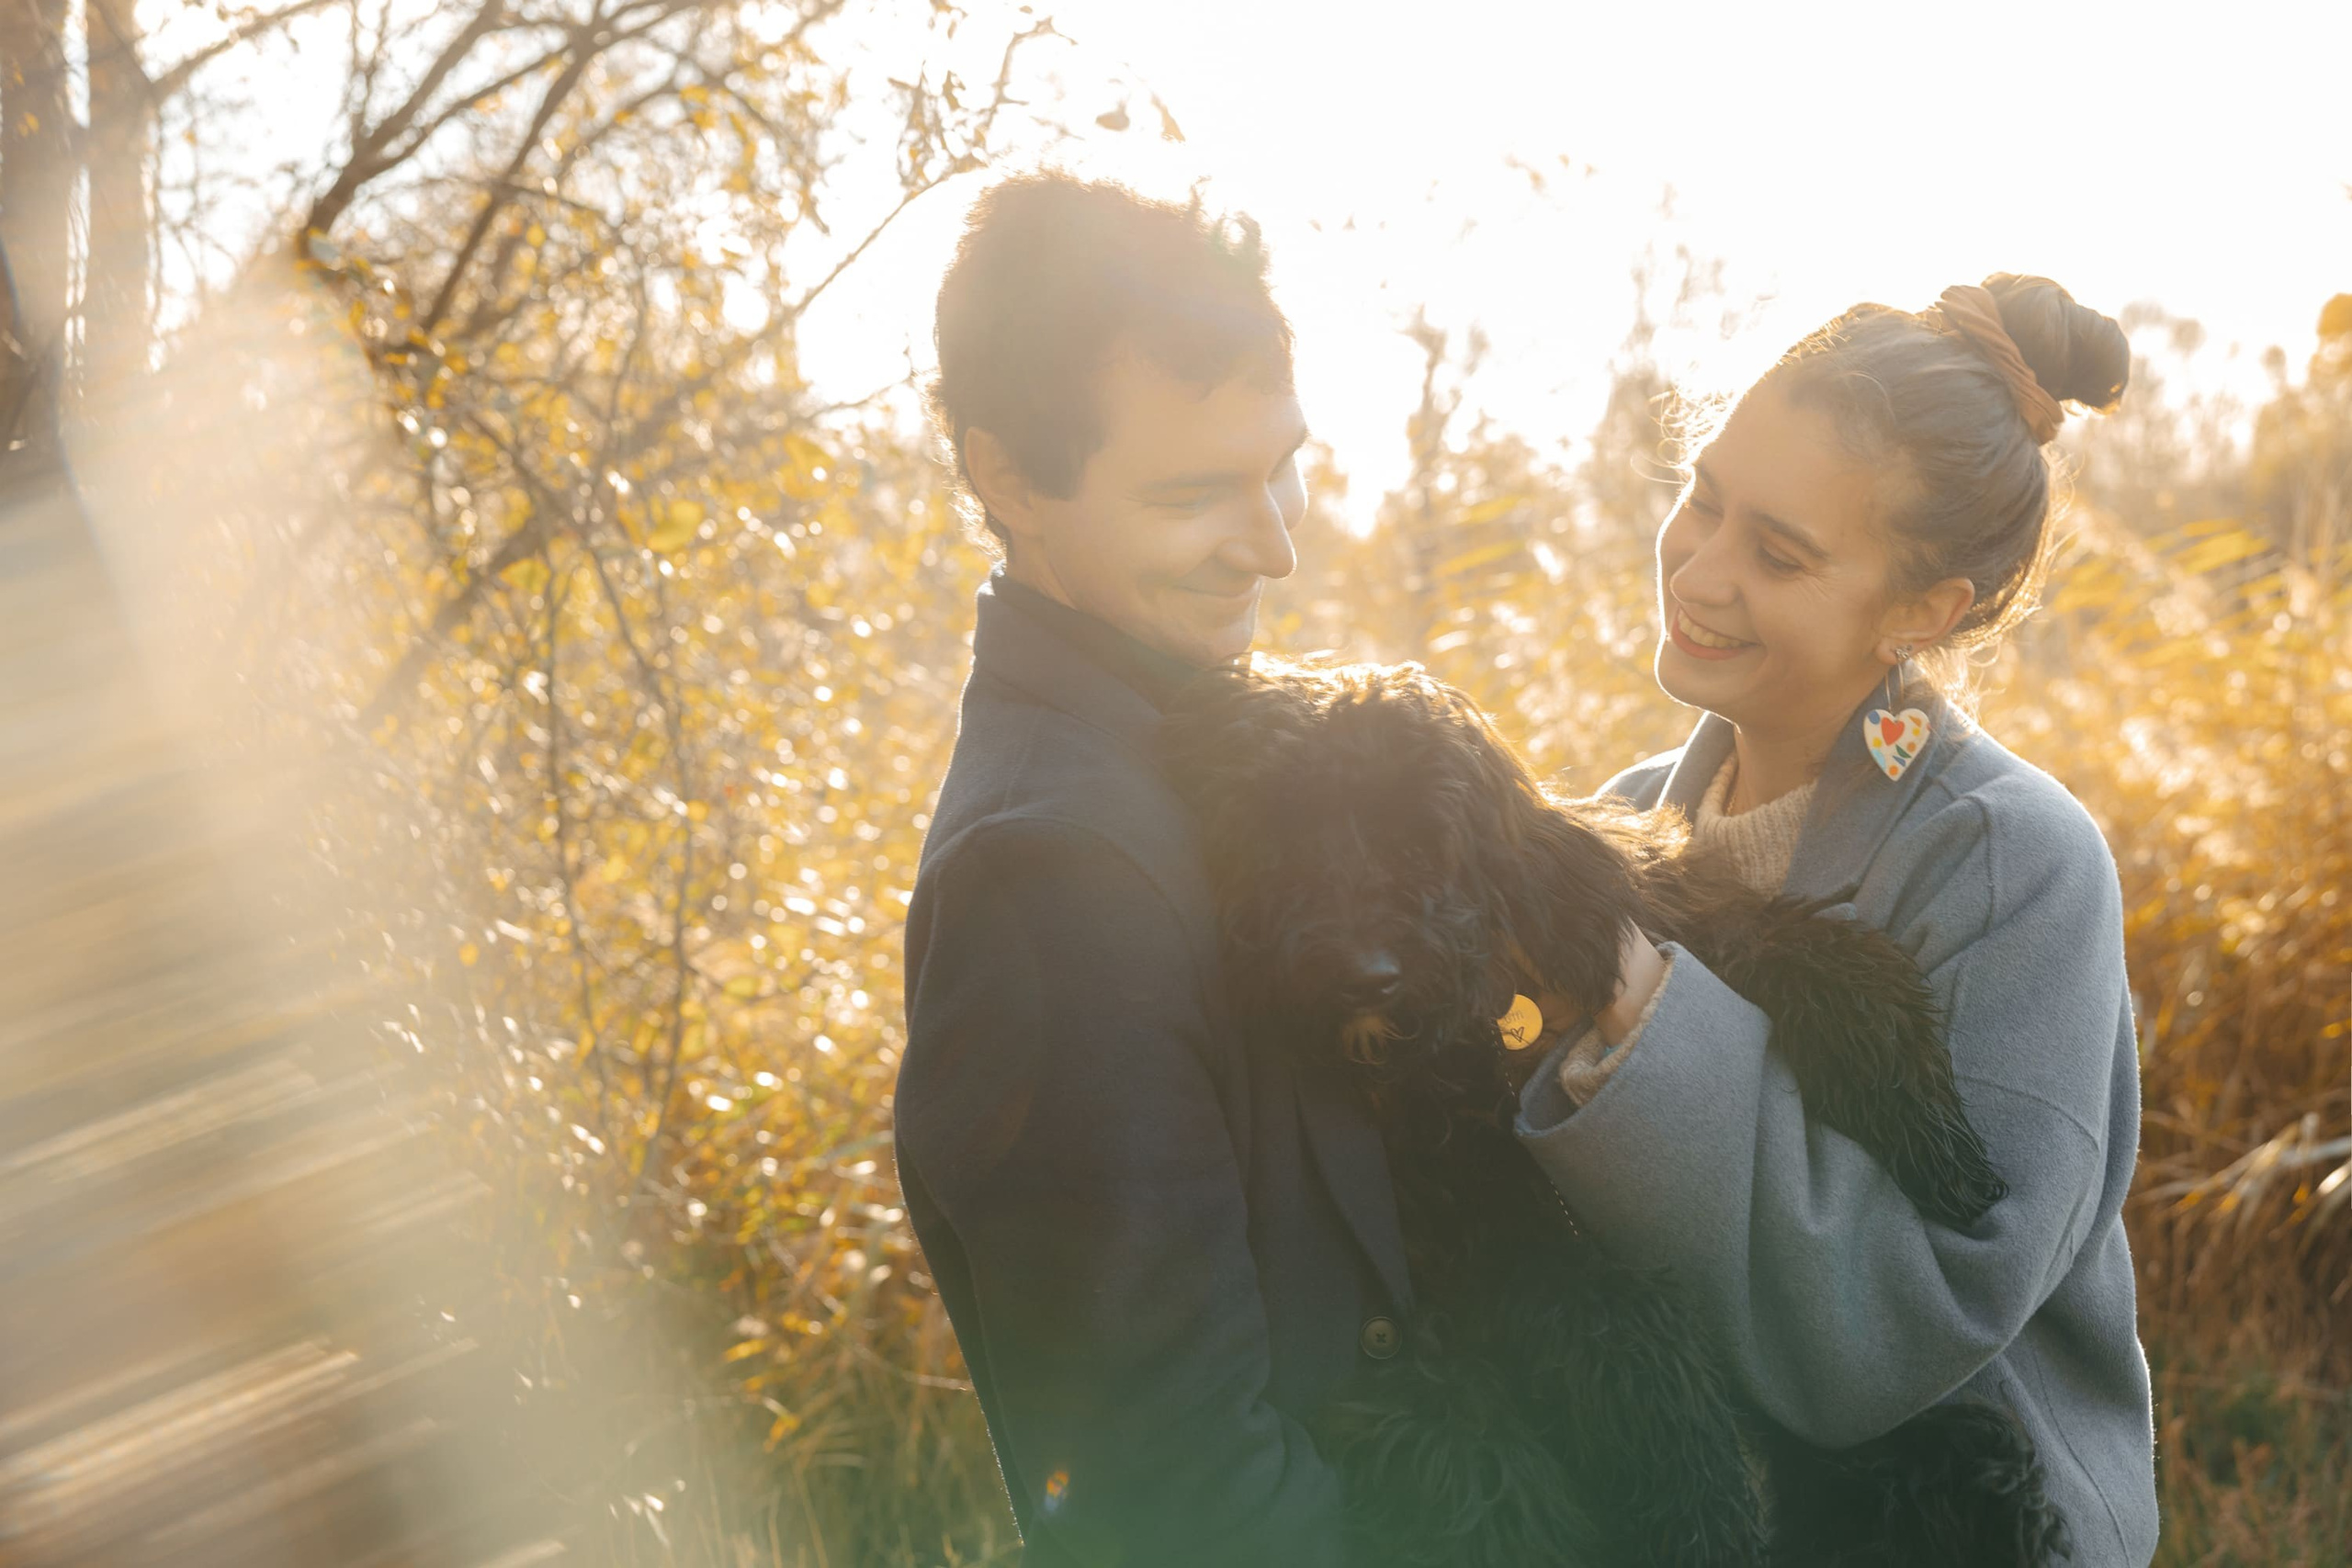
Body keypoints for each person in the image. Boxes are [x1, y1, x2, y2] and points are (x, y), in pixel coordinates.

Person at [1516, 275, 2159, 1563]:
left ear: (1925, 611)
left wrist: (1648, 1022)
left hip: (1966, 1524)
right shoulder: (1625, 817)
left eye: (1780, 553)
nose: (1699, 569)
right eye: (1704, 498)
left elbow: (1907, 1326)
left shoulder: (2015, 863)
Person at [894, 172, 1408, 1566]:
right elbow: (1181, 1498)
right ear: (1009, 478)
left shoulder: (1204, 741)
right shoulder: (1049, 875)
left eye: (1280, 466)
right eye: (1193, 495)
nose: (1275, 547)